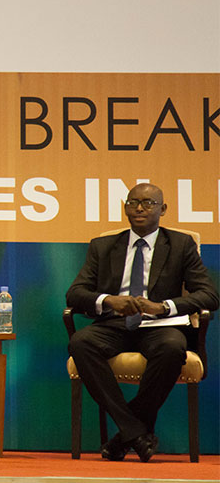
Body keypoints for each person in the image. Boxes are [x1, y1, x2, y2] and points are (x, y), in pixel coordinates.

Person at [66, 183, 218, 462]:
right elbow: (75, 293)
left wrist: (163, 307)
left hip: (161, 326)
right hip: (113, 325)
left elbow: (209, 295)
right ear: (125, 207)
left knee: (173, 348)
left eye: (148, 203)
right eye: (133, 202)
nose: (139, 208)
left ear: (163, 209)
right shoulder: (103, 246)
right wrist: (110, 301)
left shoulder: (180, 245)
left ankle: (124, 435)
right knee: (81, 342)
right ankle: (136, 431)